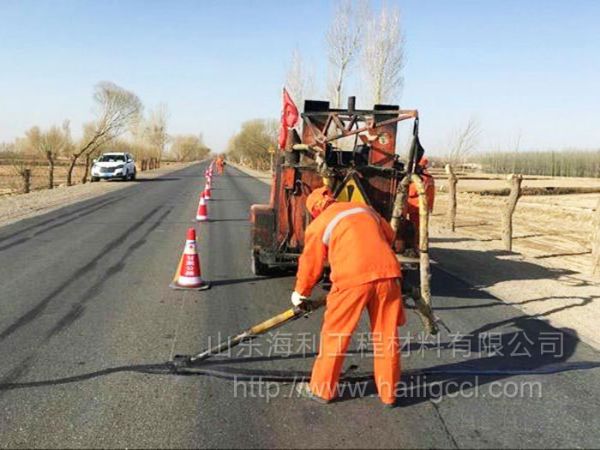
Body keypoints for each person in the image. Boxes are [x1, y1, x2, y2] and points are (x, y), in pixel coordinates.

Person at [292, 186, 405, 407]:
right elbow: (390, 236)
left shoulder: (319, 224)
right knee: (386, 336)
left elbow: (310, 264)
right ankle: (389, 394)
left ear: (315, 210)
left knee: (336, 335)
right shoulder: (364, 209)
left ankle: (321, 389)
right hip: (388, 274)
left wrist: (300, 293)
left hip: (351, 279)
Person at [406, 157, 435, 249]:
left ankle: (416, 246)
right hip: (422, 206)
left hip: (417, 206)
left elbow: (412, 192)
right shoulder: (428, 177)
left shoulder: (421, 178)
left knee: (416, 228)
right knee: (419, 227)